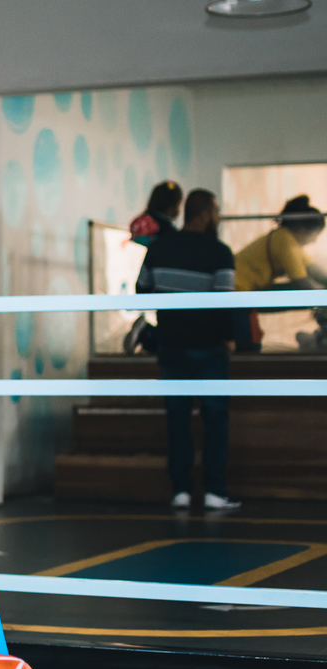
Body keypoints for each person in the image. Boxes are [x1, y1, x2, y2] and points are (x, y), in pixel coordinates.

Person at [135, 189, 240, 510]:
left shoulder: (160, 248)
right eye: (217, 211)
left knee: (177, 419)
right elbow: (225, 303)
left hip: (171, 346)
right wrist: (229, 338)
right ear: (206, 214)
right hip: (208, 348)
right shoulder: (220, 252)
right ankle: (214, 490)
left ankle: (180, 490)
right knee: (215, 418)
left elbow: (142, 291)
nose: (219, 217)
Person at [233, 195, 327, 351]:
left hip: (248, 292)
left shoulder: (289, 241)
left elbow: (317, 273)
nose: (314, 241)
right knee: (249, 345)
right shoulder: (285, 242)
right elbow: (303, 286)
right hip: (239, 293)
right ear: (303, 230)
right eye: (315, 235)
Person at [124, 181, 183, 354]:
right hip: (165, 279)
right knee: (175, 337)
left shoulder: (145, 220)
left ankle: (148, 335)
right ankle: (147, 335)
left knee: (168, 328)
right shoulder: (168, 232)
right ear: (174, 206)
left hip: (149, 276)